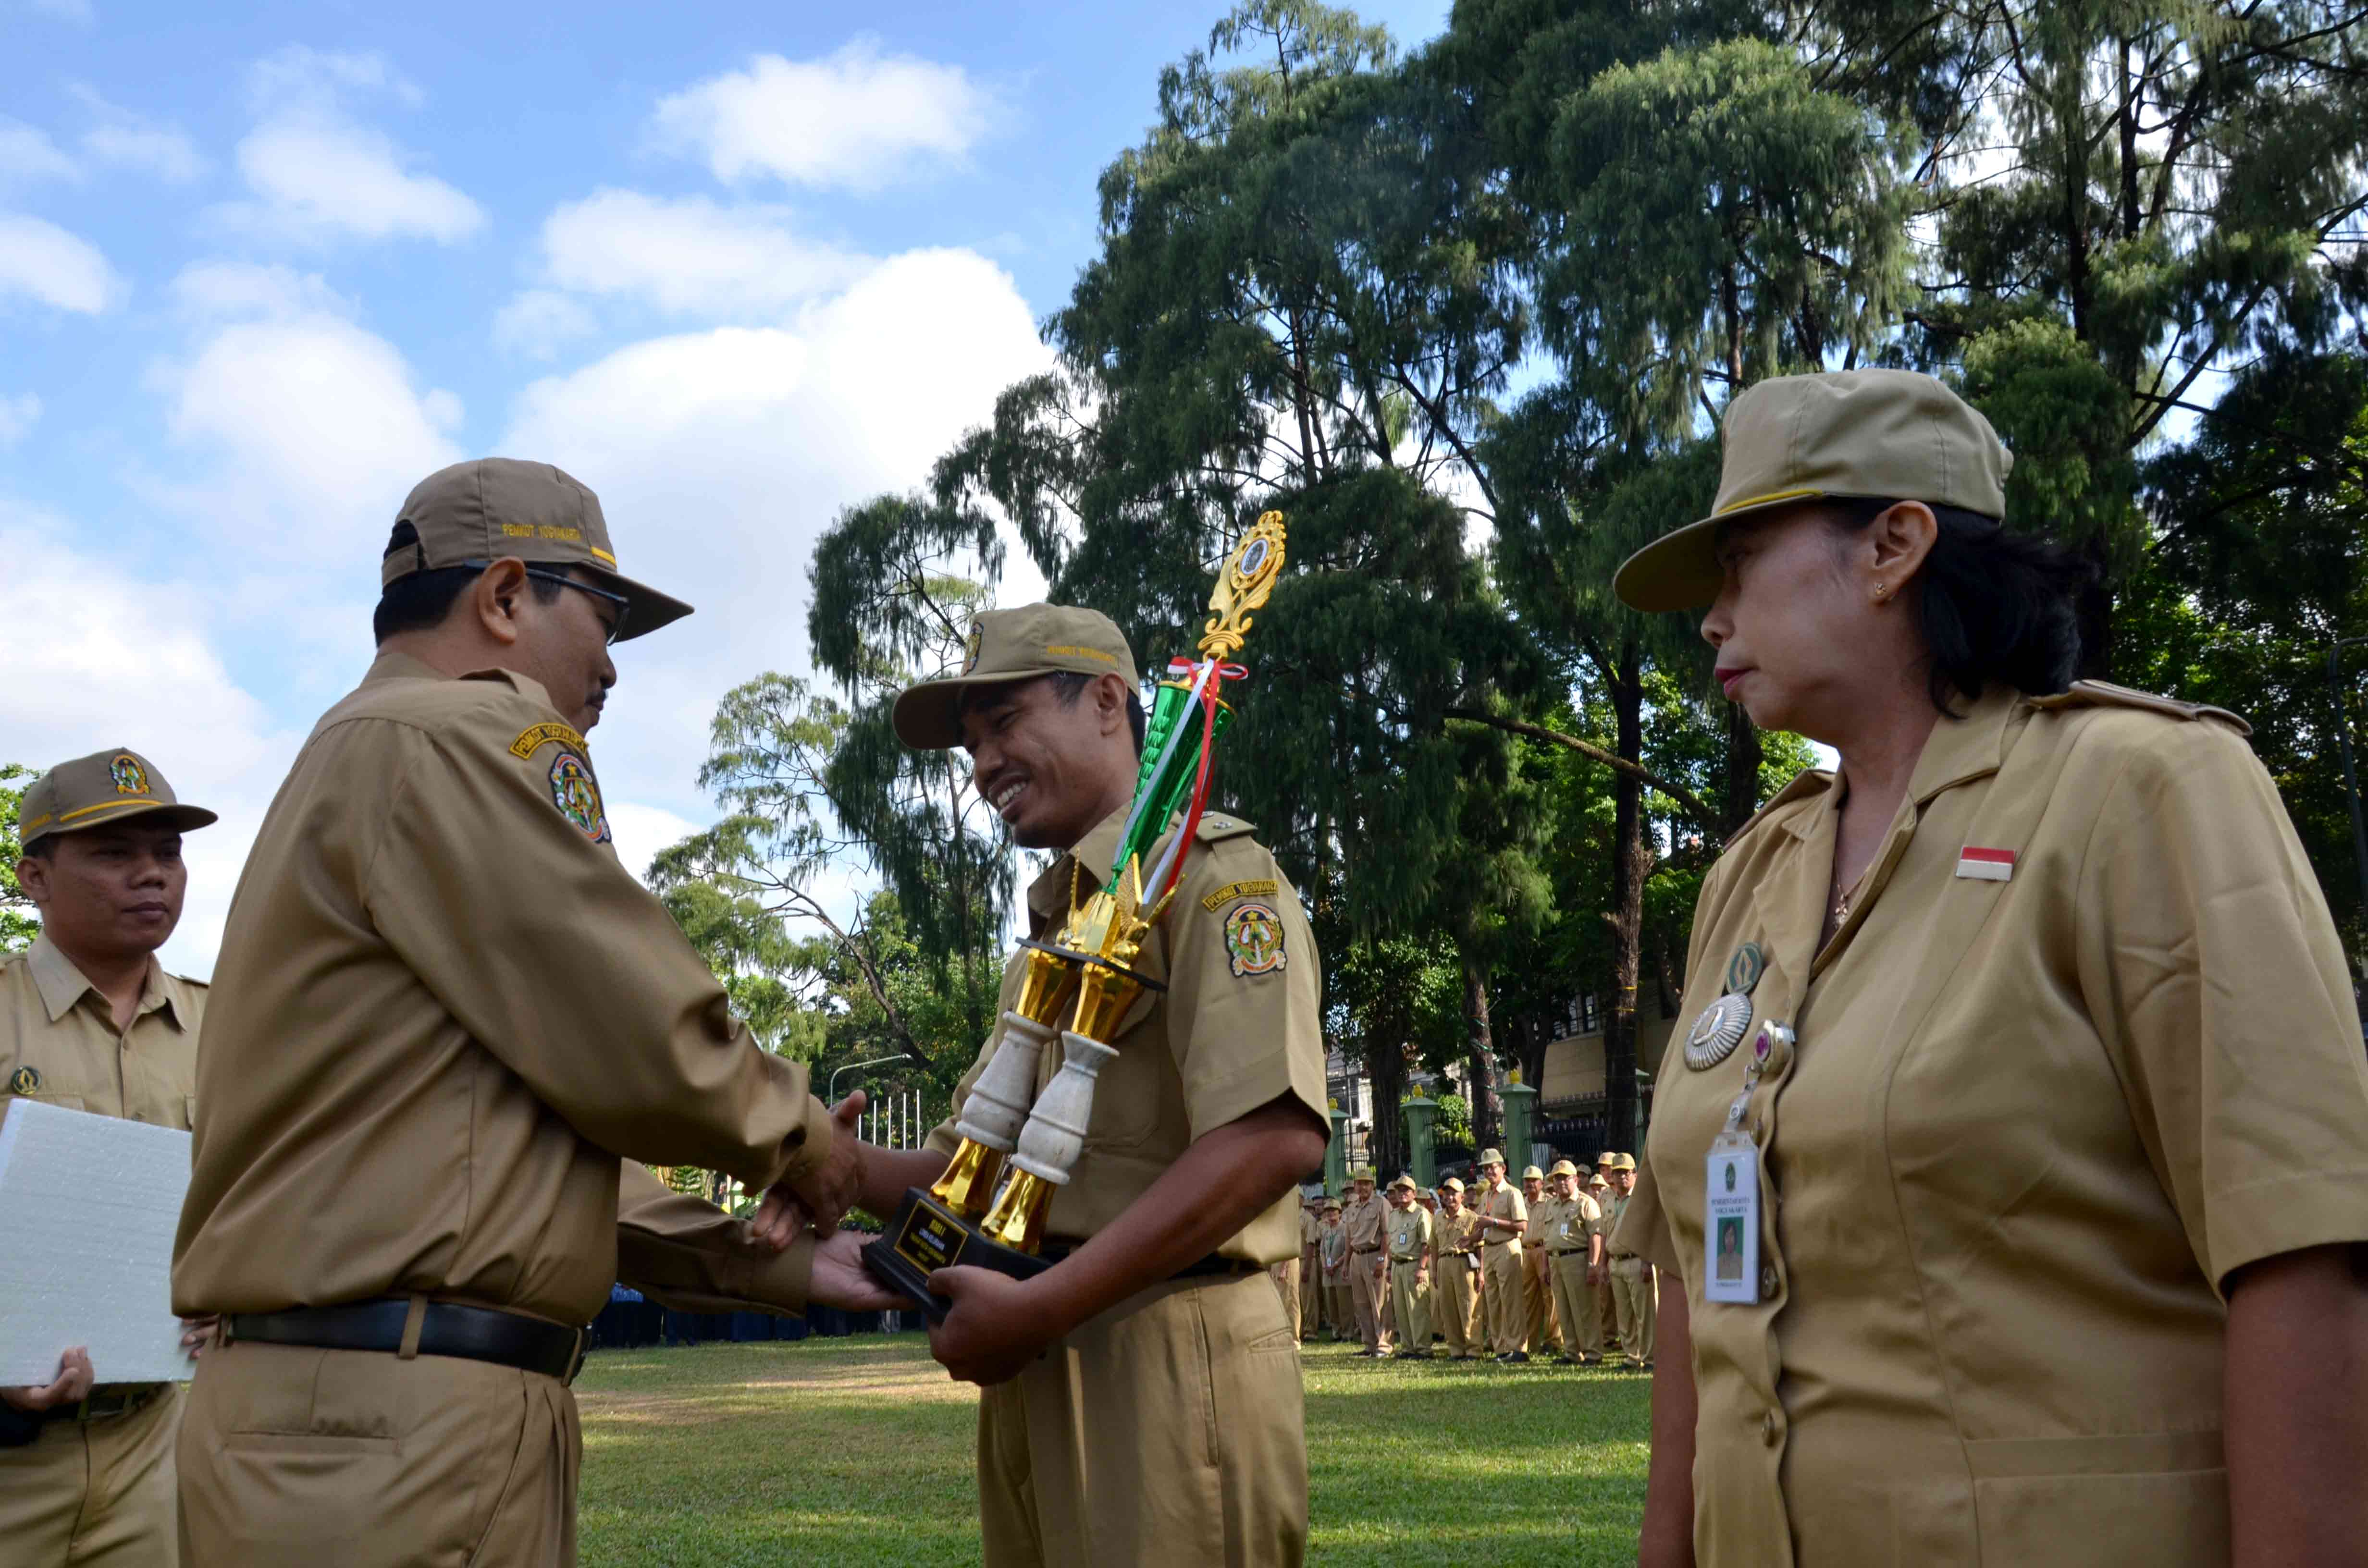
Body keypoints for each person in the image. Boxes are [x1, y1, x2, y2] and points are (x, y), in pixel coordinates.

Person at [1611, 366, 2368, 1568]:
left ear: (1893, 546)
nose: (1713, 617)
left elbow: (2300, 1253)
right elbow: (1696, 1271)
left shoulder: (2139, 792)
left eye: (1742, 559)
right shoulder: (1750, 876)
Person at [170, 459, 894, 1568]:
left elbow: (500, 1148)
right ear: (505, 597)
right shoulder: (456, 738)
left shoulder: (365, 755)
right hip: (393, 1427)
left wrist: (776, 1266)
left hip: (354, 1418)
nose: (611, 664)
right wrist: (806, 1147)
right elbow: (643, 1039)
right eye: (603, 621)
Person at [850, 602, 1330, 1568]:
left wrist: (1047, 1305)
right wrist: (814, 1156)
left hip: (1166, 1350)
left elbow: (1273, 1136)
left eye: (1005, 725)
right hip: (1035, 1343)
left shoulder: (1213, 881)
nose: (982, 764)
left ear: (1107, 701)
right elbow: (967, 1170)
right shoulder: (1058, 923)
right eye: (971, 745)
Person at [1, 749, 219, 1567]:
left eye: (167, 852)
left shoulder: (227, 1027)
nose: (152, 875)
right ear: (35, 876)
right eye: (114, 853)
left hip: (158, 1443)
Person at [1542, 1160, 1603, 1367]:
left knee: (1584, 1308)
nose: (1560, 1183)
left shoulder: (1586, 1203)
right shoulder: (1551, 1204)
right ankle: (1572, 1352)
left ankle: (1593, 1353)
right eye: (1556, 1179)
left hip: (1577, 1258)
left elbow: (1595, 1236)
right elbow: (1547, 1238)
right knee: (1564, 1308)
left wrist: (1593, 1265)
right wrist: (1545, 1265)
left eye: (1564, 1178)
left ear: (1575, 1179)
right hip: (1555, 1260)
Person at [1469, 1149, 1528, 1362]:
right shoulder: (1485, 1196)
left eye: (1493, 1167)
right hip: (1491, 1248)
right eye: (1485, 1168)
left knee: (1511, 1300)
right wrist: (1471, 1239)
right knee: (1493, 1301)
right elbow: (1483, 1226)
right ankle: (1501, 1348)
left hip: (1508, 1247)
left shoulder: (1513, 1193)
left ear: (1503, 1169)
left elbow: (1522, 1225)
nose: (1489, 1171)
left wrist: (1493, 1222)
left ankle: (1518, 1348)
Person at [1601, 1152, 1654, 1370]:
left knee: (1645, 1313)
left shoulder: (1642, 1198)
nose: (1622, 1177)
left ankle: (1651, 1358)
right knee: (1624, 1314)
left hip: (1636, 1260)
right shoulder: (1608, 1200)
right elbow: (1604, 1233)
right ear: (1611, 1176)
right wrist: (1604, 1264)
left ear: (1634, 1174)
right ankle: (1632, 1356)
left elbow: (1651, 1232)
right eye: (1617, 1173)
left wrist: (1647, 1262)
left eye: (1626, 1172)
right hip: (1615, 1262)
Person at [1429, 1176, 1484, 1361]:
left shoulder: (1472, 1217)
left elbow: (1480, 1247)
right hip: (1444, 1263)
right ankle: (1456, 1350)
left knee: (1469, 1306)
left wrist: (1481, 1272)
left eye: (1454, 1194)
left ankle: (1473, 1350)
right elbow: (1434, 1247)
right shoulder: (1438, 1218)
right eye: (1447, 1194)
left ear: (1462, 1197)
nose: (1450, 1197)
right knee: (1448, 1307)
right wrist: (1434, 1271)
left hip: (1465, 1263)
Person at [1341, 1165, 1390, 1356]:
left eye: (1367, 1184)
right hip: (1356, 1258)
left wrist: (1381, 1259)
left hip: (1374, 1254)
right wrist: (1346, 1263)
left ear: (1373, 1186)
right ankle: (1369, 1344)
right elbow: (1348, 1238)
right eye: (1360, 1184)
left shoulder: (1381, 1203)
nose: (1363, 1188)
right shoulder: (1352, 1208)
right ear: (1354, 1186)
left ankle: (1383, 1344)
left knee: (1378, 1302)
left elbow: (1386, 1234)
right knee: (1361, 1304)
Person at [1384, 1174, 1434, 1359]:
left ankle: (1423, 1349)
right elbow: (1392, 1244)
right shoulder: (1394, 1215)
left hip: (1414, 1265)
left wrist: (1422, 1267)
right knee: (1402, 1309)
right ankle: (1407, 1347)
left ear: (1414, 1193)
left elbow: (1427, 1244)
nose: (1402, 1193)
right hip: (1397, 1265)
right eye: (1399, 1190)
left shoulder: (1421, 1213)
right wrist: (1389, 1268)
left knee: (1417, 1308)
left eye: (1406, 1190)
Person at [1518, 1164, 1562, 1358]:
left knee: (1550, 1296)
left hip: (1543, 1249)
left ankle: (1553, 1341)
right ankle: (1532, 1341)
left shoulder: (1550, 1202)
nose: (1529, 1184)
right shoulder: (1521, 1202)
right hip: (1524, 1251)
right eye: (1526, 1181)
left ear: (1542, 1183)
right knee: (1528, 1298)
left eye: (1533, 1180)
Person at [1586, 1169, 1618, 1360]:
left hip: (1631, 1256)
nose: (1597, 1191)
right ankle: (1609, 1336)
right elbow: (1603, 1233)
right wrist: (1601, 1263)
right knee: (1606, 1300)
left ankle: (1643, 1348)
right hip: (1609, 1256)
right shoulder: (1604, 1200)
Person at [1318, 1199, 1351, 1340]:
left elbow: (1347, 1251)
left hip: (1340, 1271)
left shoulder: (1345, 1229)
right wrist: (1325, 1265)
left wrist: (1336, 1265)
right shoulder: (1326, 1231)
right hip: (1328, 1273)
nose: (1331, 1214)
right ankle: (1336, 1332)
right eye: (1328, 1212)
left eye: (1334, 1211)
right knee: (1331, 1306)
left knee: (1344, 1305)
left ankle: (1347, 1333)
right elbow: (1322, 1252)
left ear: (1340, 1213)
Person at [1298, 1190, 1324, 1340]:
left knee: (1309, 1299)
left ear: (1301, 1199)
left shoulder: (1308, 1219)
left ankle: (1311, 1331)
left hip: (1306, 1260)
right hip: (1294, 1261)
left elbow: (1310, 1244)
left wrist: (1307, 1268)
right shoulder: (1291, 1217)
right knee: (1297, 1299)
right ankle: (1300, 1329)